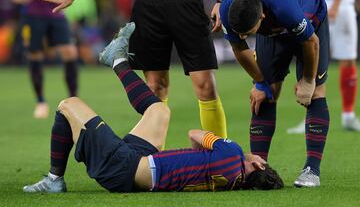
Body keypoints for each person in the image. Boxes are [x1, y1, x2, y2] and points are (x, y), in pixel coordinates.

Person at [22, 23, 284, 193]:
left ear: (259, 166)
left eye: (260, 159)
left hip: (123, 167)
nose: (257, 156)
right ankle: (117, 60)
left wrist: (200, 150)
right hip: (140, 166)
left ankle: (54, 179)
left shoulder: (234, 154)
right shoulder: (229, 184)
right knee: (160, 111)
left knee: (68, 105)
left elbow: (194, 133)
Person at [37, 0, 229, 138]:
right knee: (155, 87)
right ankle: (153, 162)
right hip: (148, 5)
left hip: (187, 1)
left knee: (205, 86)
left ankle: (224, 156)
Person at [219, 0, 330, 187]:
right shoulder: (228, 10)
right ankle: (258, 170)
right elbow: (240, 49)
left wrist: (307, 81)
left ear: (261, 16)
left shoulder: (285, 7)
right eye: (240, 32)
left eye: (247, 32)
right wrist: (259, 82)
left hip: (311, 22)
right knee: (265, 93)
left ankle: (311, 171)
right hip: (272, 30)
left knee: (315, 93)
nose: (242, 36)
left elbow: (311, 42)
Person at [277, 0, 360, 133]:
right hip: (310, 4)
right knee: (311, 58)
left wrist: (336, 3)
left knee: (348, 58)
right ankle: (311, 117)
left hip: (341, 4)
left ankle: (348, 115)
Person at [0, 0, 79, 119]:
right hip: (32, 12)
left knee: (70, 51)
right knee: (34, 53)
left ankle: (74, 100)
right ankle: (41, 102)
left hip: (57, 10)